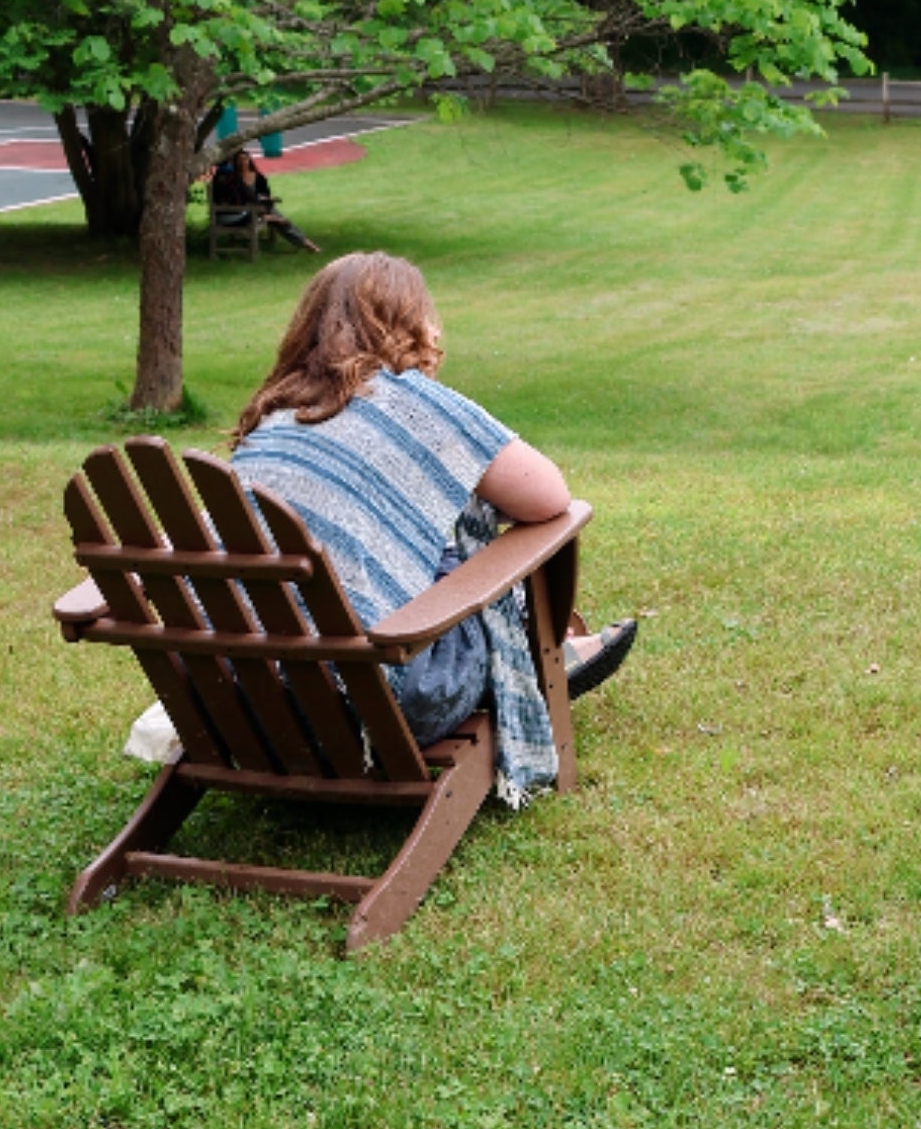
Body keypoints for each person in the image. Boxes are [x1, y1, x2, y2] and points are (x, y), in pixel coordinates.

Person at [229, 252, 635, 805]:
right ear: (409, 325)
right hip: (378, 702)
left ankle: (558, 644)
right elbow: (549, 498)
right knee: (465, 570)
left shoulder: (269, 423)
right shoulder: (413, 403)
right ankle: (549, 657)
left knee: (421, 559)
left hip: (246, 698)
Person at [211, 145, 320, 254]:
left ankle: (298, 237)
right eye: (238, 160)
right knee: (273, 213)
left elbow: (251, 197)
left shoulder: (223, 179)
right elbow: (246, 199)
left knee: (270, 210)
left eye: (245, 159)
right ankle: (301, 239)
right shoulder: (234, 180)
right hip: (239, 215)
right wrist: (263, 203)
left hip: (237, 213)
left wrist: (264, 200)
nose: (242, 163)